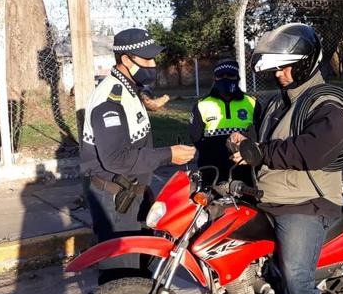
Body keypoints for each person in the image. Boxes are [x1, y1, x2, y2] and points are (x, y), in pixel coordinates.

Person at [230, 23, 343, 294]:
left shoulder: (328, 104)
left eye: (286, 68)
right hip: (270, 196)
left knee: (298, 277)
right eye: (276, 69)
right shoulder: (275, 102)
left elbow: (310, 150)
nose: (280, 74)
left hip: (306, 203)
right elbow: (257, 139)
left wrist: (261, 153)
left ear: (305, 64)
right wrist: (240, 143)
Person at [80, 28, 196, 279]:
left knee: (141, 270)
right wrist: (169, 155)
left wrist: (144, 187)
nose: (153, 65)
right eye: (147, 59)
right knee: (121, 276)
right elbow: (117, 159)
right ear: (126, 59)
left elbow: (139, 93)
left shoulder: (130, 88)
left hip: (133, 192)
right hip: (116, 202)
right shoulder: (109, 101)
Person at [188, 59, 261, 184]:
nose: (225, 79)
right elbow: (196, 137)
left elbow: (259, 132)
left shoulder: (252, 103)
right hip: (212, 169)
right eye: (220, 76)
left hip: (244, 167)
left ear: (237, 77)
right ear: (215, 78)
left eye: (230, 75)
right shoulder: (202, 105)